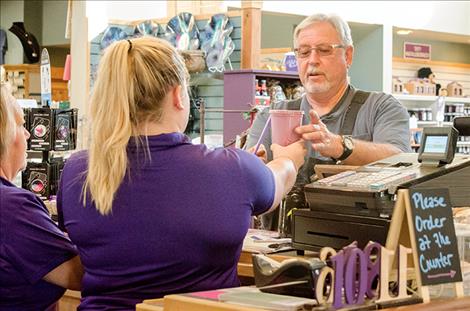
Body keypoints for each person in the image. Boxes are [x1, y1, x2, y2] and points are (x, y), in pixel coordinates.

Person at [57, 37, 306, 309]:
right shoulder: (232, 168)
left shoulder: (77, 171)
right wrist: (289, 158)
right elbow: (280, 178)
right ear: (178, 95)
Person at [246, 13, 411, 229]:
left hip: (358, 252)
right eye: (303, 52)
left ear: (348, 56)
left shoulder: (381, 107)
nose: (312, 60)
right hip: (280, 251)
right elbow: (249, 189)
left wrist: (341, 147)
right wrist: (251, 167)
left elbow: (401, 162)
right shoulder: (272, 115)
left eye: (324, 50)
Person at [0, 81, 83, 310]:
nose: (27, 133)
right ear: (4, 134)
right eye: (21, 125)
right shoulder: (13, 209)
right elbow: (77, 274)